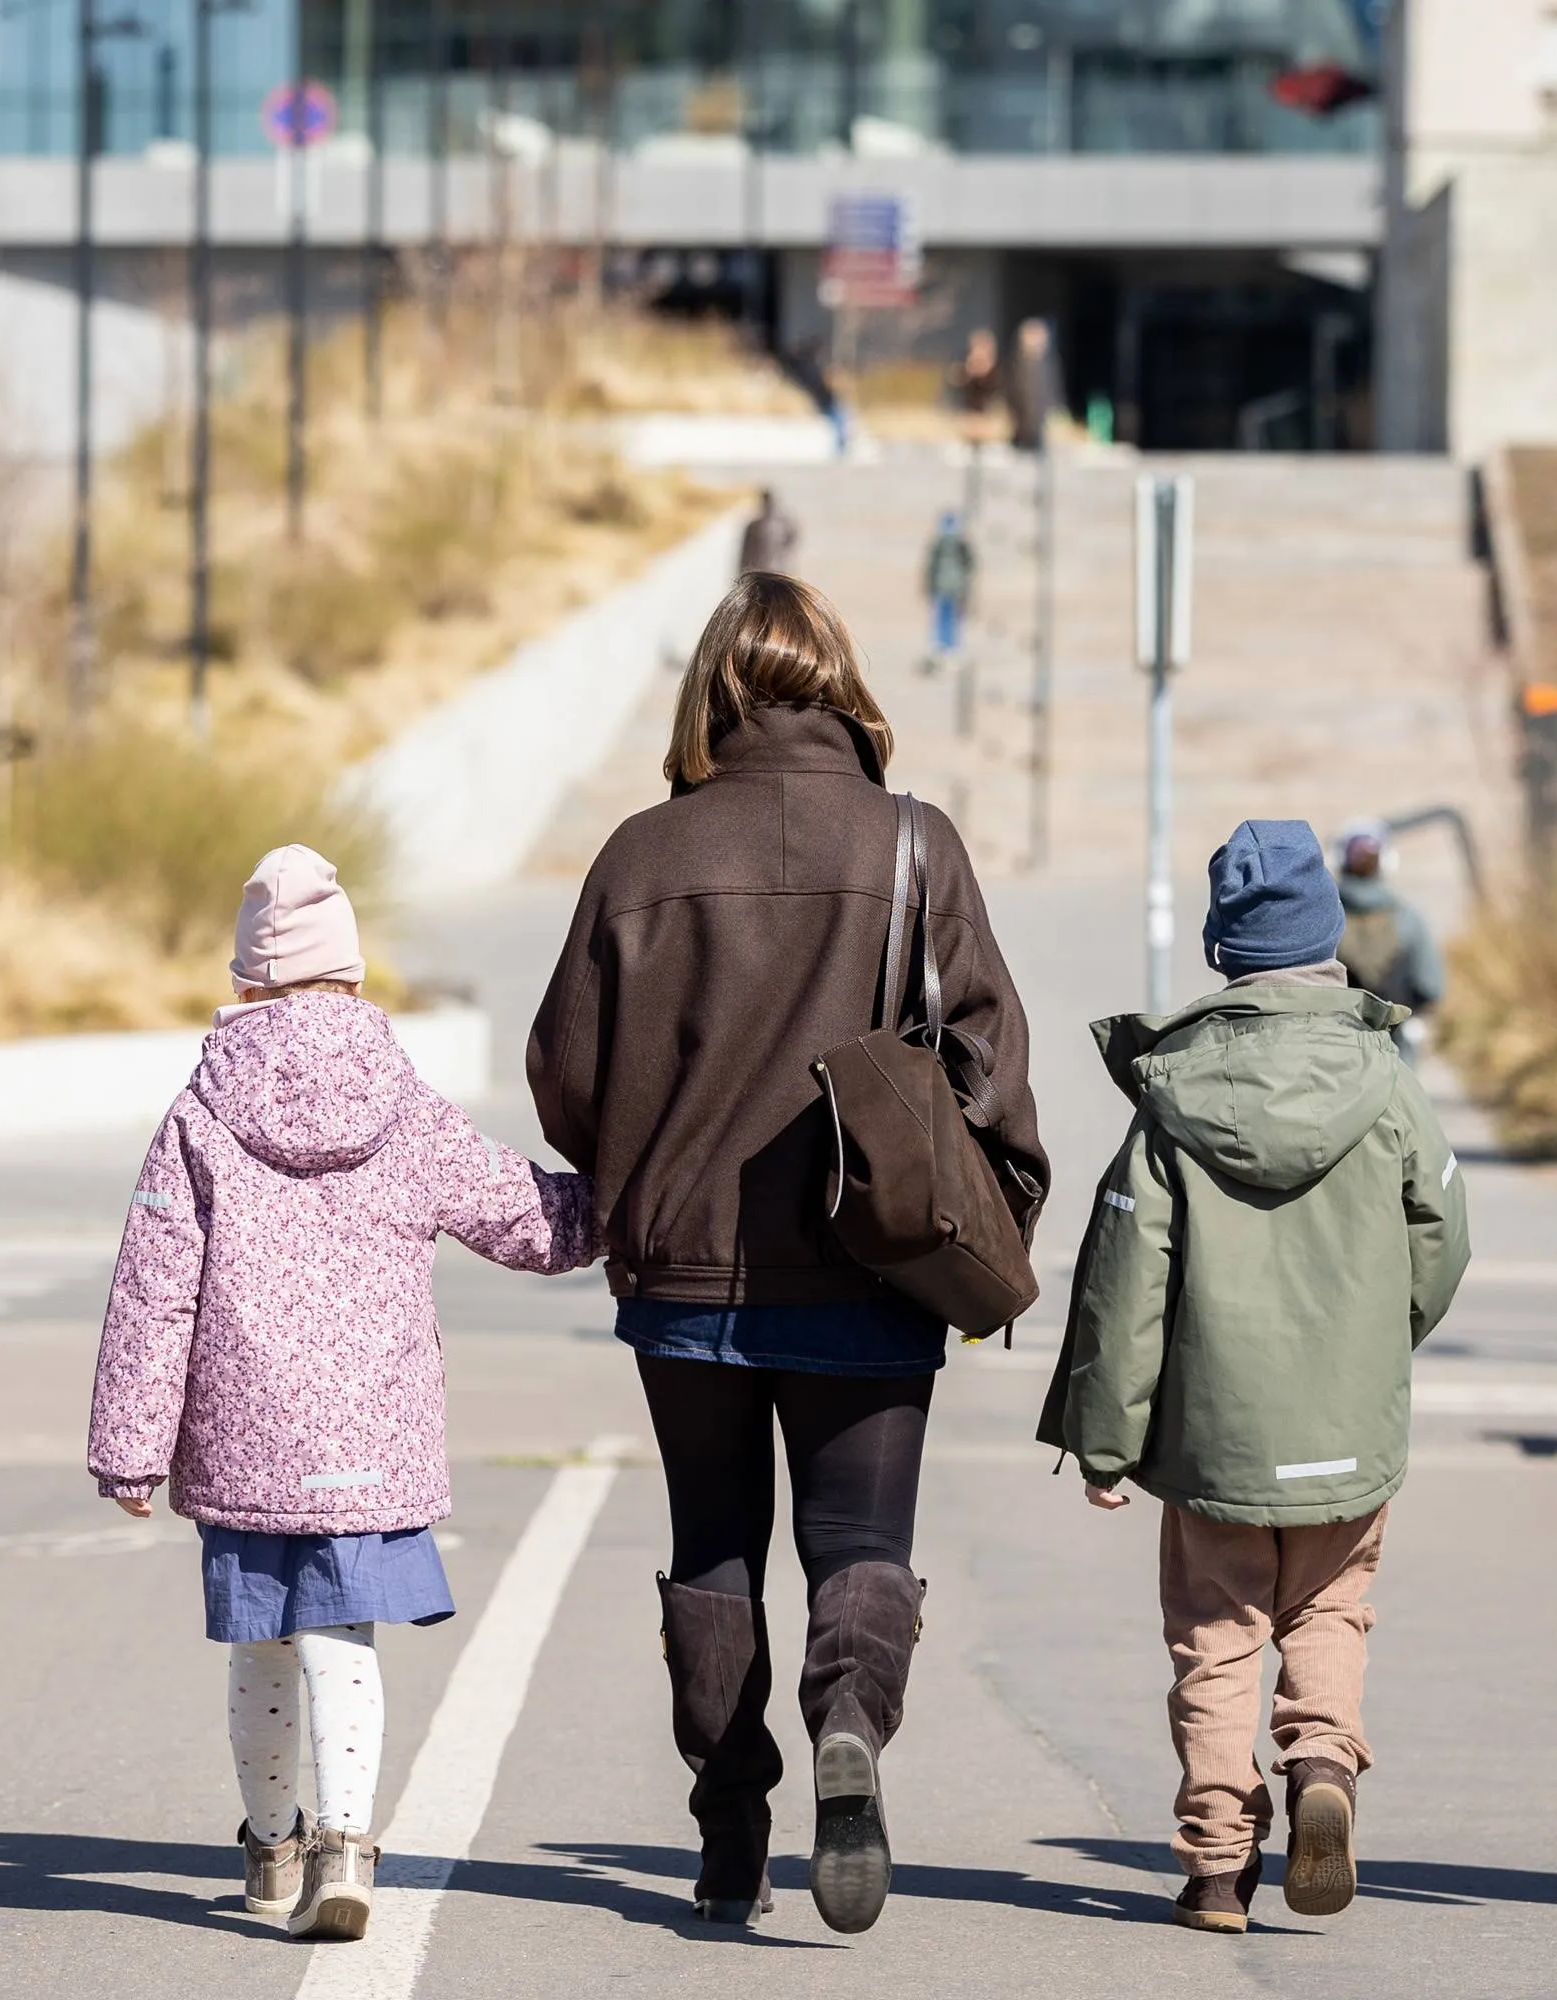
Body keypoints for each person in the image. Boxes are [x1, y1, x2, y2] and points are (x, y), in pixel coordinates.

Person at [528, 573, 1049, 1934]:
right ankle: (850, 1726)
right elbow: (991, 1068)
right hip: (871, 1262)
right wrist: (1002, 1219)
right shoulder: (915, 847)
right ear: (845, 687)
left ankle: (727, 1827)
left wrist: (638, 1170)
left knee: (713, 1542)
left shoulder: (640, 857)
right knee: (861, 1540)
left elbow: (565, 1077)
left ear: (711, 694)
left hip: (683, 1278)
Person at [88, 844, 600, 1943]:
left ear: (245, 983)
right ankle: (352, 1844)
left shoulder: (200, 1114)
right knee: (341, 1637)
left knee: (261, 1647)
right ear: (354, 977)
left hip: (243, 1428)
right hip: (368, 1425)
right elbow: (521, 1217)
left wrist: (131, 1448)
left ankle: (272, 1852)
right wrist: (629, 1201)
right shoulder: (403, 1105)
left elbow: (152, 1286)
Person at [1037, 820, 1470, 1938]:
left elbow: (1127, 1279)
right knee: (1331, 1604)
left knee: (1216, 1635)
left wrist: (1104, 1440)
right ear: (1327, 936)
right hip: (1346, 1421)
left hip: (1213, 1438)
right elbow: (1443, 1237)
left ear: (1225, 946)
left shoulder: (1175, 1095)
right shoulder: (1385, 1078)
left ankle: (1218, 1866)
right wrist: (1379, 1345)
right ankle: (1323, 1758)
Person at [1334, 821, 1447, 1046]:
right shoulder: (1408, 917)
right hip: (1397, 1043)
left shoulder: (1325, 919)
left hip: (1339, 1041)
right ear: (1386, 862)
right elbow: (1431, 985)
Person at [921, 509, 975, 665]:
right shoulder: (954, 544)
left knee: (950, 617)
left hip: (948, 587)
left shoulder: (954, 544)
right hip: (949, 586)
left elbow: (968, 566)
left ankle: (949, 645)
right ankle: (946, 645)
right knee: (947, 616)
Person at [1006, 316, 1059, 455]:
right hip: (1020, 428)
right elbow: (1014, 395)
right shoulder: (1017, 366)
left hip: (1041, 427)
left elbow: (1052, 392)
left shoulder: (1047, 366)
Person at [737, 485, 801, 578]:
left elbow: (792, 541)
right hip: (760, 569)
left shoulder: (785, 523)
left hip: (779, 568)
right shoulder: (754, 524)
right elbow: (746, 552)